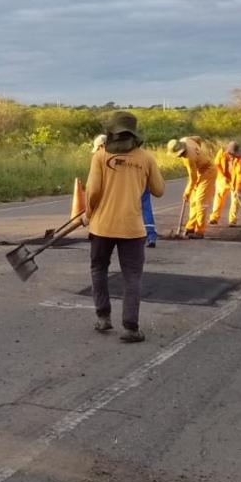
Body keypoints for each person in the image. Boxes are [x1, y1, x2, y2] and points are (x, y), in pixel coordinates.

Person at [85, 112, 165, 343]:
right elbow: (159, 190)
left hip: (102, 227)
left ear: (111, 132)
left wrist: (88, 215)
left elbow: (92, 191)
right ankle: (130, 327)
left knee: (98, 269)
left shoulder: (100, 156)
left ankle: (103, 318)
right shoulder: (146, 158)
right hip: (132, 228)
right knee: (132, 276)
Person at [95, 134, 159, 247]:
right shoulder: (138, 153)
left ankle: (123, 234)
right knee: (145, 208)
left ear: (102, 145)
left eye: (98, 148)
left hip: (130, 187)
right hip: (141, 182)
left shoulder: (107, 157)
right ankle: (150, 235)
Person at [168, 135, 215, 239]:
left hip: (208, 171)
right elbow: (198, 138)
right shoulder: (185, 139)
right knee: (193, 201)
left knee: (200, 201)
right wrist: (200, 154)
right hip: (200, 170)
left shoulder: (189, 158)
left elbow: (193, 179)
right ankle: (191, 227)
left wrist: (187, 191)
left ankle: (200, 231)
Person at [208, 141, 241, 226]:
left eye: (235, 155)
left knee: (235, 199)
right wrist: (222, 177)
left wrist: (238, 189)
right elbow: (216, 165)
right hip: (222, 179)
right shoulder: (221, 153)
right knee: (218, 198)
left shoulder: (240, 159)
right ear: (228, 152)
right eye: (231, 154)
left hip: (234, 181)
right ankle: (214, 218)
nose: (233, 156)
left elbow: (240, 175)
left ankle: (232, 220)